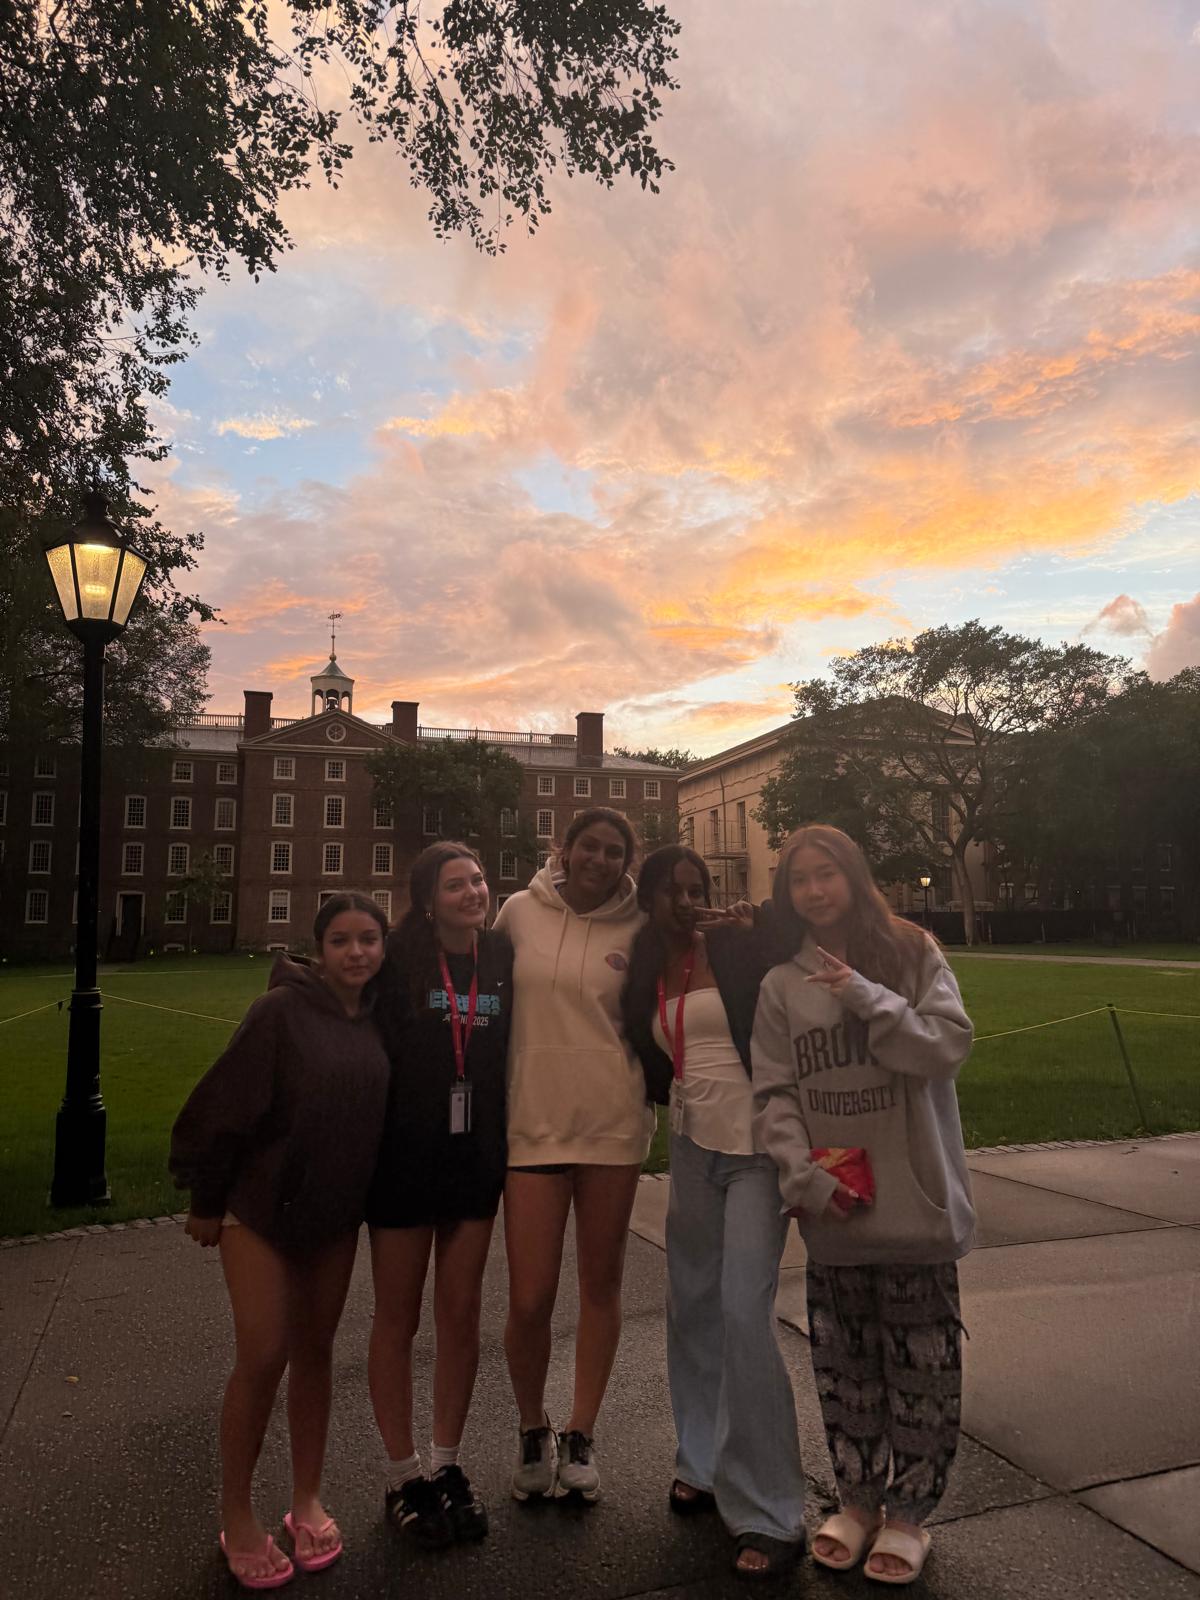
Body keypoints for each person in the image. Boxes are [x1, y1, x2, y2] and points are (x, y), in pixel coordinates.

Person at [751, 825, 975, 1588]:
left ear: (854, 876)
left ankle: (909, 1516)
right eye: (800, 879)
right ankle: (855, 1501)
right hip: (836, 1207)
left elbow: (944, 1047)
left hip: (915, 1207)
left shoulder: (912, 953)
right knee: (845, 1368)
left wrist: (864, 994)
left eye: (827, 874)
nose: (815, 891)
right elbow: (774, 1094)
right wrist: (805, 1179)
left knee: (922, 1367)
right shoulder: (781, 985)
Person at [169, 892, 390, 1591]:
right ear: (318, 950)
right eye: (341, 940)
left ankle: (306, 1500)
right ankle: (237, 1515)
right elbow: (223, 1105)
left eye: (369, 939)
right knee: (264, 1353)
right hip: (259, 1209)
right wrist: (207, 1199)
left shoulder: (378, 1018)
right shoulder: (278, 1013)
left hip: (332, 1215)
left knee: (316, 1353)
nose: (356, 952)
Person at [622, 846, 806, 1580]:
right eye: (673, 889)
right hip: (693, 1145)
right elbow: (647, 1044)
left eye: (698, 887)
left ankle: (771, 1509)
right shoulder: (646, 964)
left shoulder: (734, 944)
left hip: (757, 1146)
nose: (688, 899)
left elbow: (796, 944)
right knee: (692, 1302)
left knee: (740, 1311)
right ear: (649, 898)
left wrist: (760, 922)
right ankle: (700, 1459)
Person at [494, 805, 652, 1503]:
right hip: (531, 1123)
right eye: (589, 846)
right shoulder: (517, 913)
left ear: (627, 861)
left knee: (600, 1285)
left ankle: (582, 1430)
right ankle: (534, 1426)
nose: (600, 860)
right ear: (564, 849)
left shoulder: (641, 925)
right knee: (530, 1297)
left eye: (614, 851)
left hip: (612, 1126)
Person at [365, 842, 512, 1549]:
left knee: (461, 1314)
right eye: (456, 885)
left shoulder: (501, 956)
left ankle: (448, 1464)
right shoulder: (397, 960)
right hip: (403, 1157)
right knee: (398, 1318)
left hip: (475, 1159)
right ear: (426, 901)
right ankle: (403, 1476)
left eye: (477, 880)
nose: (472, 892)